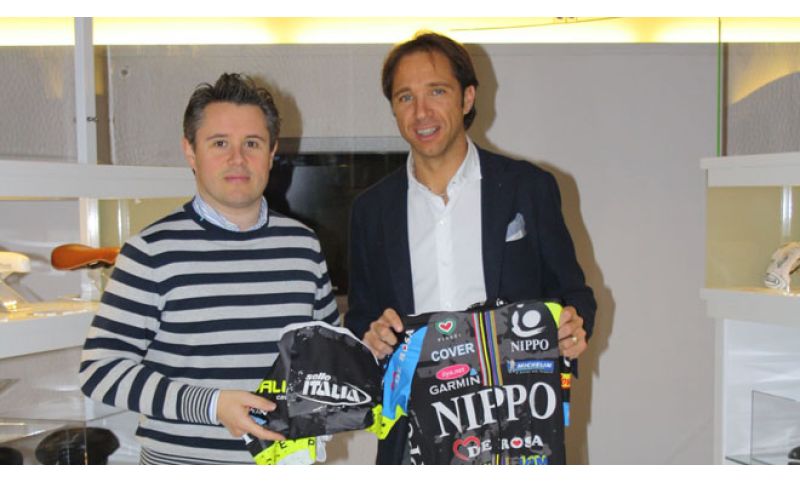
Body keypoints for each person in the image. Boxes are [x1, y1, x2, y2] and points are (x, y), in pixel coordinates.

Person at [345, 32, 597, 464]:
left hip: (517, 424)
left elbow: (574, 293)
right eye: (405, 97)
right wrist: (372, 336)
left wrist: (575, 324)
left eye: (437, 91)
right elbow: (360, 317)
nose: (421, 112)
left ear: (467, 98)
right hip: (414, 433)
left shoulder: (528, 188)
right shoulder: (371, 211)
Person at [79, 73, 339, 464]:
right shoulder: (150, 252)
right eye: (219, 143)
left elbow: (327, 354)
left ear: (271, 153)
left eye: (252, 143)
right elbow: (100, 370)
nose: (238, 159)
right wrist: (212, 404)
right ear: (190, 151)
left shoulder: (303, 246)